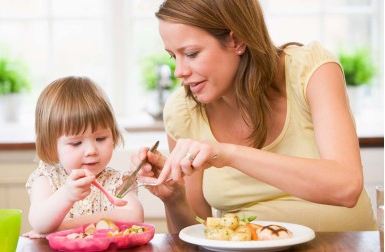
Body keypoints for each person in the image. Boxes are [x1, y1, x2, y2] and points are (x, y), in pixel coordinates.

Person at [131, 0, 377, 233]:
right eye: (174, 56)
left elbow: (346, 186)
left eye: (192, 54)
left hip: (345, 243)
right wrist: (174, 198)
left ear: (236, 40)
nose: (179, 72)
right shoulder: (184, 111)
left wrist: (227, 154)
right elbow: (198, 233)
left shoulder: (311, 72)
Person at [24, 76, 143, 238]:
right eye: (76, 143)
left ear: (113, 136)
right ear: (52, 145)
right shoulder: (47, 180)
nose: (91, 150)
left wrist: (62, 228)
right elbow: (39, 223)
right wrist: (67, 195)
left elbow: (134, 217)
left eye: (100, 139)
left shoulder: (117, 181)